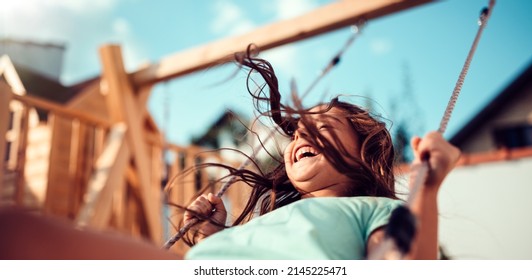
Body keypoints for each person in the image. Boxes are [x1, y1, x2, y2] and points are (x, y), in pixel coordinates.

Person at [0, 51, 460, 260]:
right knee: (19, 235)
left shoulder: (375, 210)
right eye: (301, 128)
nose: (303, 133)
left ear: (362, 154)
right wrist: (213, 234)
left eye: (322, 127)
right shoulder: (263, 221)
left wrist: (429, 189)